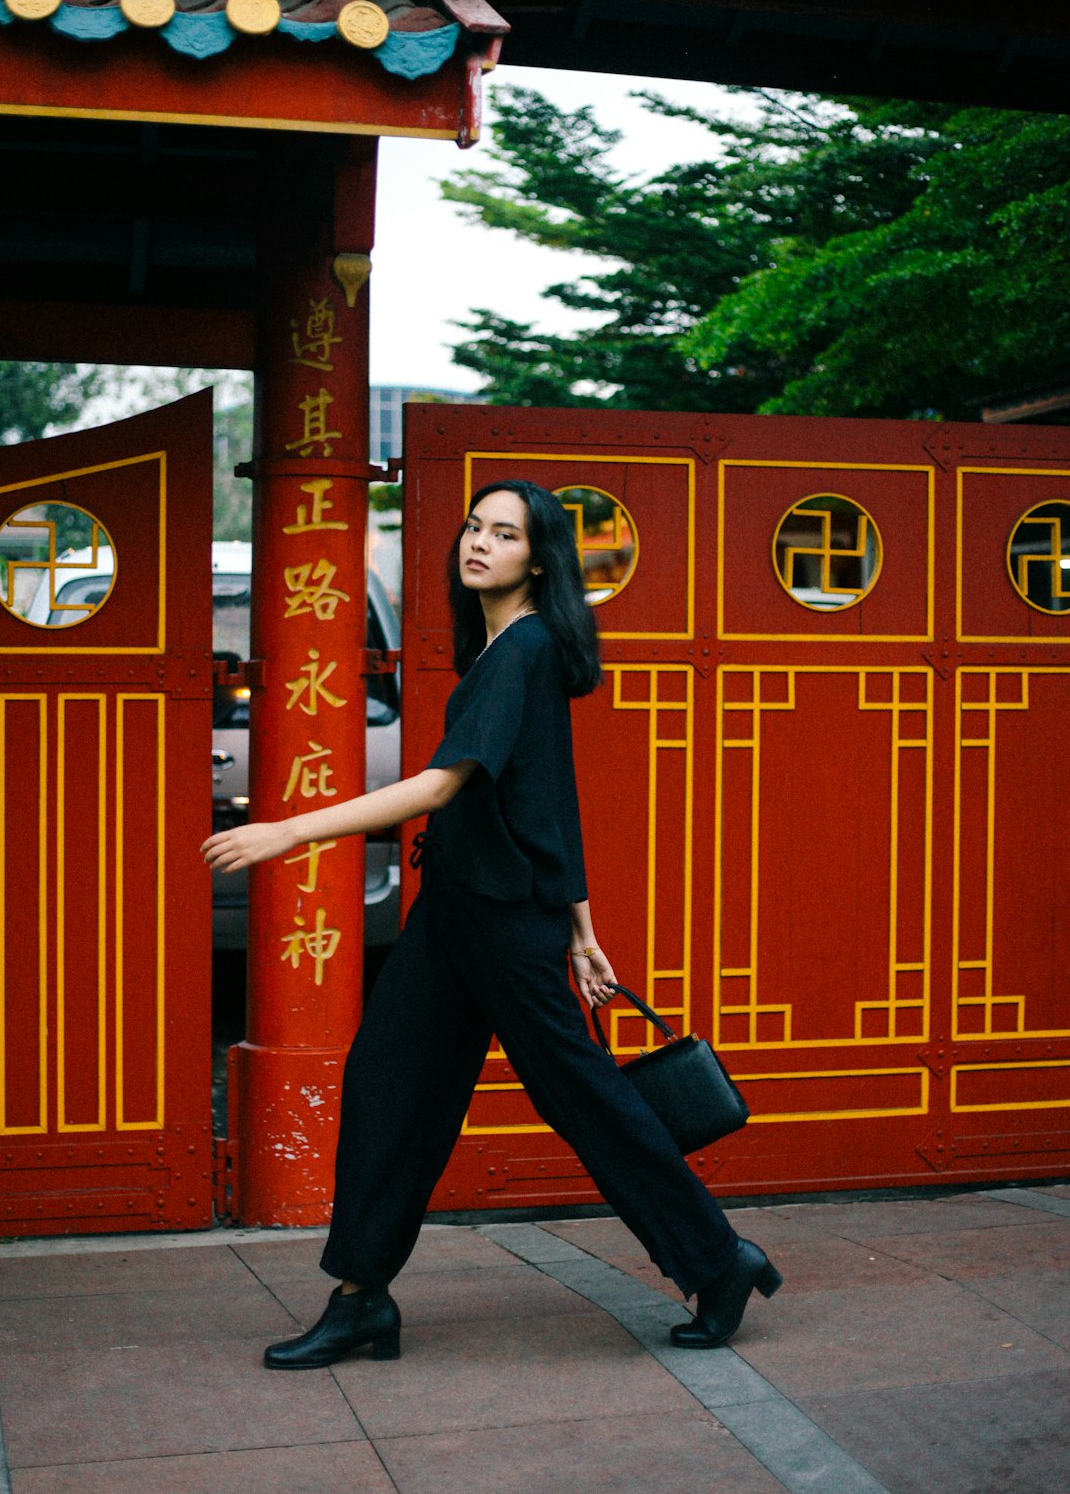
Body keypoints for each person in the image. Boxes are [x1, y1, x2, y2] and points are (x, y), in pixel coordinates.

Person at [202, 480, 781, 1366]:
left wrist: (290, 830)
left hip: (505, 924)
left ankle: (716, 1258)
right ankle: (361, 1299)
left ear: (537, 559)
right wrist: (584, 932)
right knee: (388, 1085)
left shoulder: (525, 650)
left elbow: (440, 787)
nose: (477, 542)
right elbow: (549, 798)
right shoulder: (505, 649)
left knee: (579, 1095)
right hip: (458, 917)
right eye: (473, 525)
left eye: (503, 534)